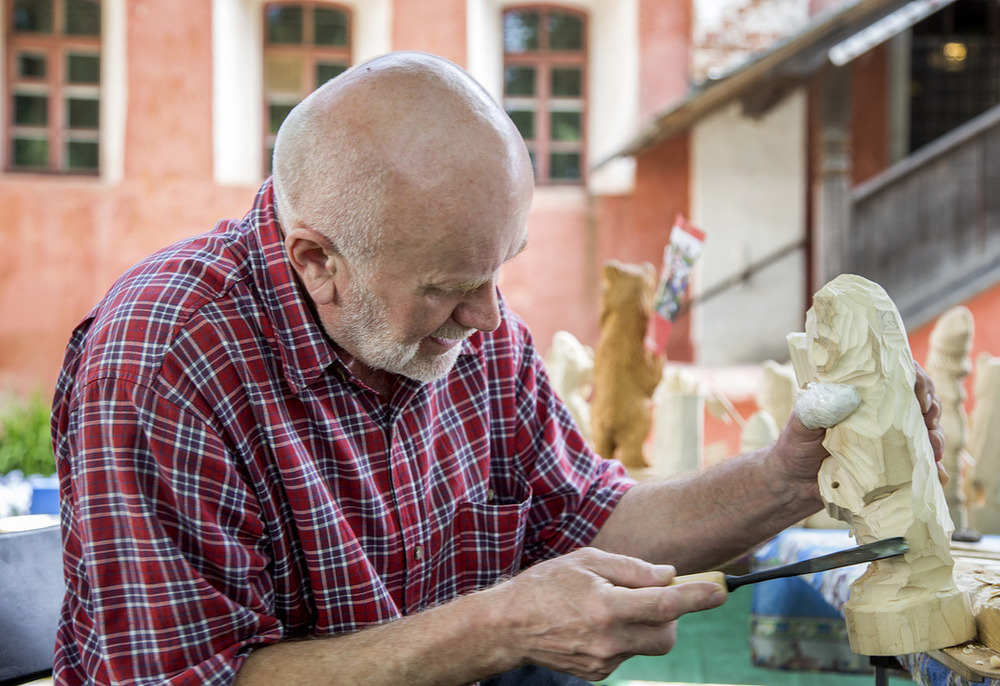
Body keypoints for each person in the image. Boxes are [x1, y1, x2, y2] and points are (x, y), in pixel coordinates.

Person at [51, 51, 944, 686]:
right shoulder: (165, 363)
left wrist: (790, 479)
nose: (487, 318)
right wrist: (497, 626)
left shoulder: (462, 321)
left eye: (499, 272)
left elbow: (592, 521)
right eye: (450, 288)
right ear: (318, 261)